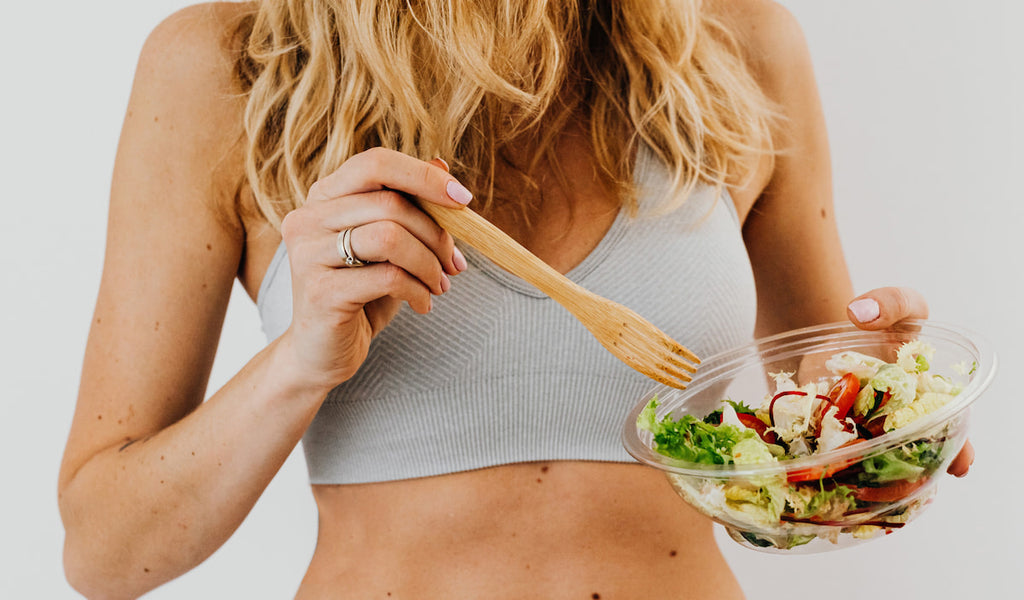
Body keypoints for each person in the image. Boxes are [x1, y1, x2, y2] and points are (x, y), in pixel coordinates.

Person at [58, 1, 974, 598]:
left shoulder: (736, 42)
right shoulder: (228, 62)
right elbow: (104, 554)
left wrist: (881, 416)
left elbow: (817, 436)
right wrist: (298, 363)